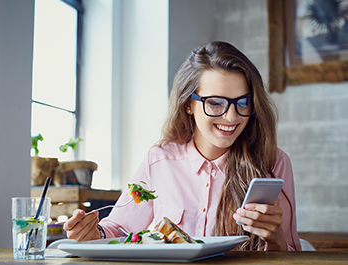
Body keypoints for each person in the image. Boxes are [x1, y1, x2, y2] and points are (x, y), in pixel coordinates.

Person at [63, 41, 301, 251]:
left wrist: (276, 238)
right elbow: (121, 230)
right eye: (216, 103)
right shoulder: (158, 161)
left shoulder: (274, 162)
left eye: (243, 102)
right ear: (188, 104)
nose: (231, 117)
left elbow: (291, 253)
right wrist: (94, 234)